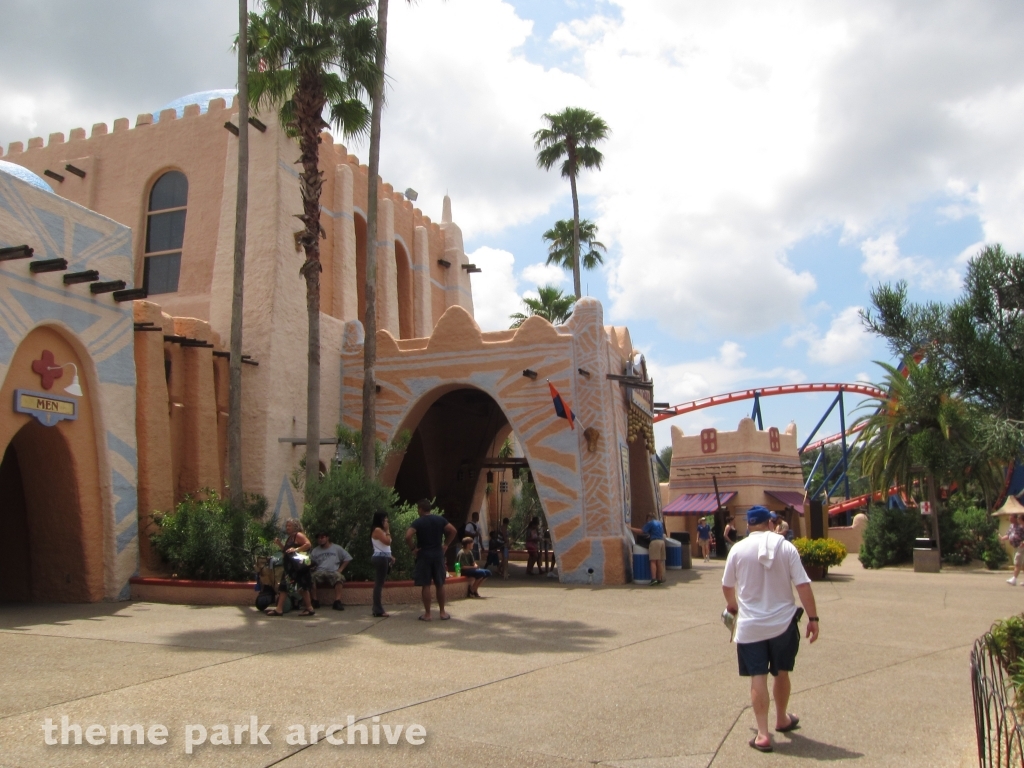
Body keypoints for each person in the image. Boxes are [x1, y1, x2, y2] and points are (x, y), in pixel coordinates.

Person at [722, 505, 819, 753]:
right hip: (782, 623)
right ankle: (782, 718)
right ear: (770, 523)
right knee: (782, 673)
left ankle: (763, 734)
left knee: (758, 677)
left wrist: (733, 606)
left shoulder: (737, 549)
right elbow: (803, 585)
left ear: (748, 526)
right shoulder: (786, 547)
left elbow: (727, 586)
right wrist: (813, 618)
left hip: (750, 625)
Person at [405, 498, 457, 621]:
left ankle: (428, 614)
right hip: (438, 554)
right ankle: (442, 612)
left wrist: (413, 548)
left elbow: (408, 536)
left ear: (421, 509)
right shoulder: (440, 520)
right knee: (440, 583)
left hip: (424, 555)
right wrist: (446, 544)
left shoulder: (418, 522)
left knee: (426, 585)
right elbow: (453, 530)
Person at [266, 519, 315, 617]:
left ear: (295, 526)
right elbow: (287, 551)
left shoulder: (298, 535)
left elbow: (308, 544)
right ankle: (308, 608)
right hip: (291, 568)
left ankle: (280, 609)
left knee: (296, 587)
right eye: (287, 526)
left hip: (298, 568)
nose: (287, 527)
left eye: (289, 526)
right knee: (290, 587)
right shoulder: (290, 538)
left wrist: (296, 549)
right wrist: (279, 544)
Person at [309, 532, 352, 611]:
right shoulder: (315, 551)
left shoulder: (337, 548)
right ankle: (314, 601)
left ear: (327, 538)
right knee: (311, 578)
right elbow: (311, 562)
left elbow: (348, 558)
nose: (320, 539)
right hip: (320, 571)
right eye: (318, 538)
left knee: (339, 578)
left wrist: (341, 569)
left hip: (333, 571)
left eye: (322, 537)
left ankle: (337, 601)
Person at [370, 511, 395, 617]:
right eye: (385, 520)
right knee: (379, 583)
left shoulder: (380, 530)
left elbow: (384, 546)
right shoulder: (378, 530)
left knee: (380, 582)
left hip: (384, 556)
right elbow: (387, 542)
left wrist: (390, 556)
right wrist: (388, 530)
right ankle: (377, 608)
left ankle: (377, 607)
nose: (387, 522)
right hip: (380, 558)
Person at [630, 513, 668, 585]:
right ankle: (659, 579)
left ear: (649, 518)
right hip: (662, 542)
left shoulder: (650, 523)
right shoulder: (659, 523)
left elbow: (641, 531)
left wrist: (630, 528)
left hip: (655, 542)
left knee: (653, 561)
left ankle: (653, 579)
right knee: (659, 561)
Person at [1001, 513, 1024, 585]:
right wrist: (1002, 538)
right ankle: (1014, 579)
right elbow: (1008, 534)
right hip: (1017, 546)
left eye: (1018, 518)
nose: (1018, 520)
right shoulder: (1012, 526)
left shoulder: (1021, 527)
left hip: (1021, 547)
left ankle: (1014, 579)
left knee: (1017, 563)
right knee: (1018, 563)